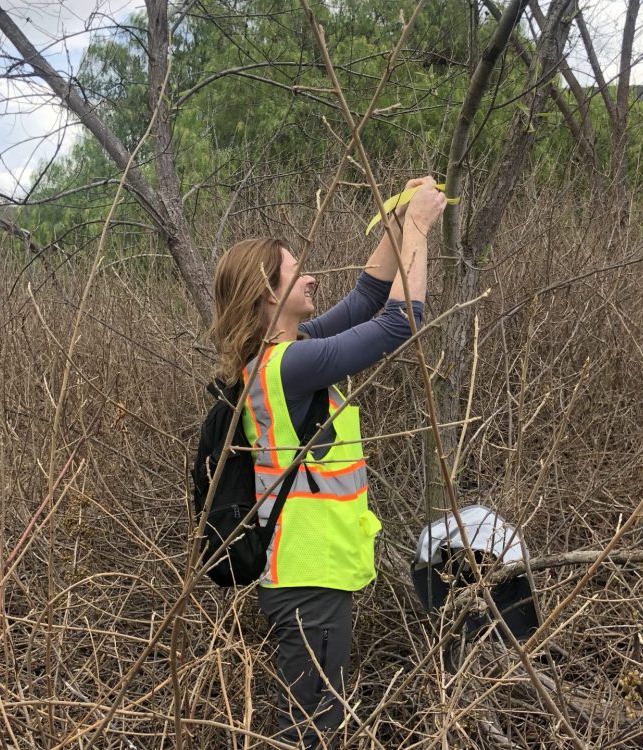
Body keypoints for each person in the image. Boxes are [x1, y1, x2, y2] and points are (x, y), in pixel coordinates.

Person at [210, 176, 446, 747]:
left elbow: (367, 298)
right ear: (270, 294)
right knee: (312, 729)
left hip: (310, 574)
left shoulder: (284, 354)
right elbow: (399, 322)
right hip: (306, 576)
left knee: (315, 720)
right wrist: (419, 227)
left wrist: (396, 225)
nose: (312, 276)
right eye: (298, 270)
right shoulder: (287, 367)